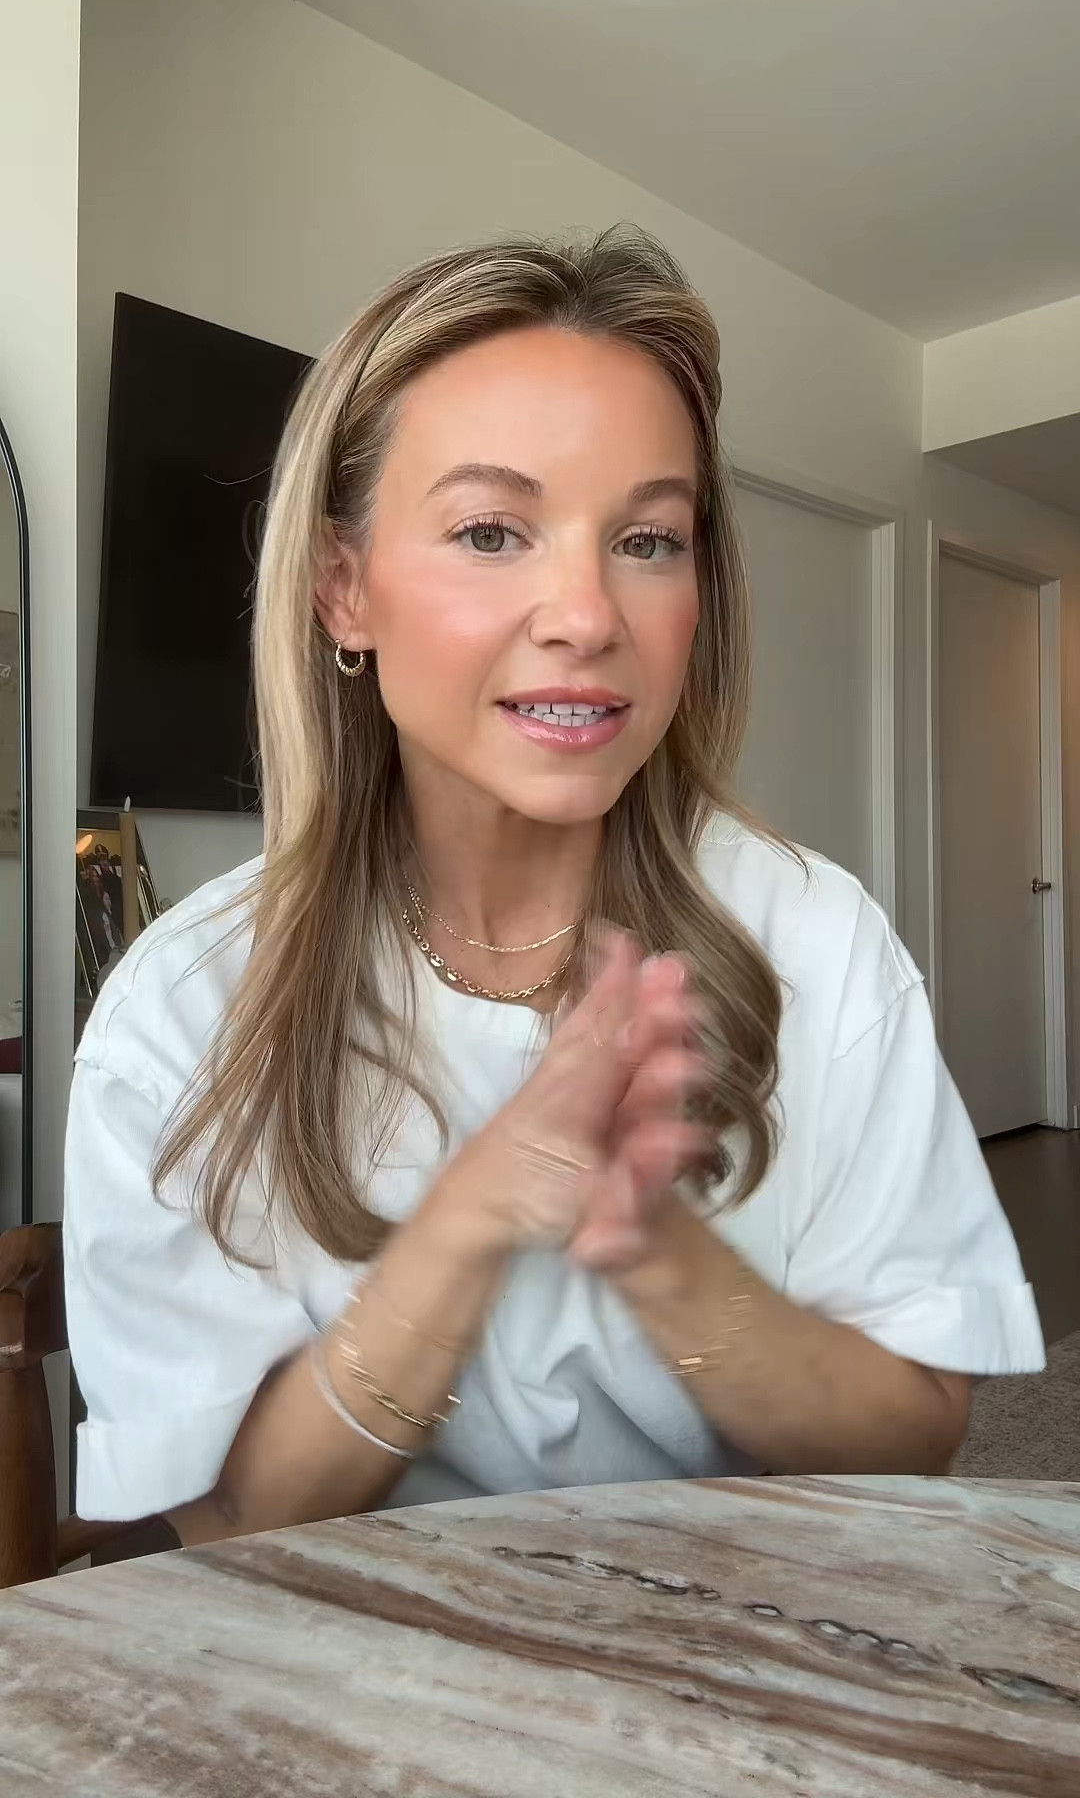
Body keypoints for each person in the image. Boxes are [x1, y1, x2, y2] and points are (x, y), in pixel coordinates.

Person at [64, 228, 1043, 1547]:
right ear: (344, 588)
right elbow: (229, 1530)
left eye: (648, 539)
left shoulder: (815, 939)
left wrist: (662, 1258)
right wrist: (471, 1218)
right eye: (490, 530)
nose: (588, 615)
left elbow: (919, 1435)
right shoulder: (184, 1011)